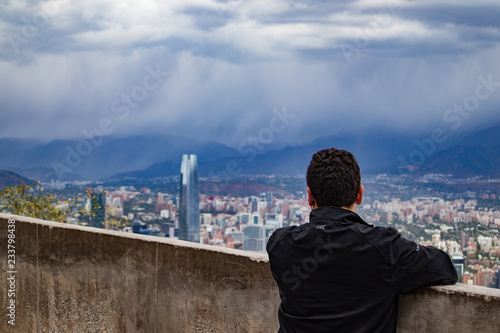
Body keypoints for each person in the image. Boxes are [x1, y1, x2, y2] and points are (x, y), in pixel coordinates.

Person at [266, 148, 457, 333]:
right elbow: (444, 267)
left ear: (309, 196)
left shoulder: (280, 244)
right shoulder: (384, 248)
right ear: (359, 195)